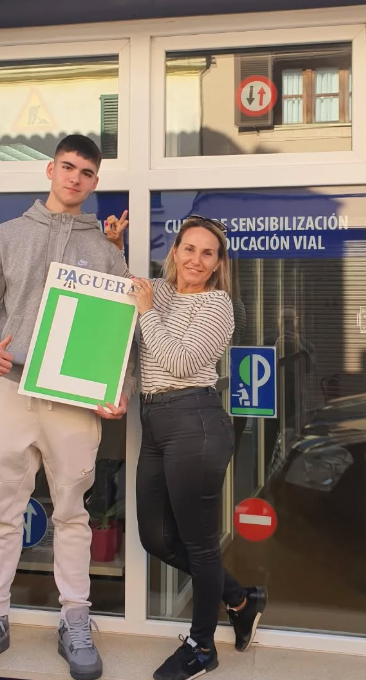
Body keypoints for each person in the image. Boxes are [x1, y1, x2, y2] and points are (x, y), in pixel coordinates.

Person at [0, 135, 135, 680]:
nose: (75, 178)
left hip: (76, 404)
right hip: (13, 392)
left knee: (73, 512)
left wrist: (117, 386)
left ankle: (75, 617)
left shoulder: (107, 251)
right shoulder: (8, 237)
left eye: (86, 172)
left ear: (95, 182)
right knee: (4, 509)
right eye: (68, 168)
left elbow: (120, 330)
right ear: (49, 170)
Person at [107, 215, 267, 680]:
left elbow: (179, 361)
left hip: (194, 420)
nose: (197, 259)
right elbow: (124, 293)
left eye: (208, 253)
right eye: (189, 249)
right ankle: (240, 599)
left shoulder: (218, 306)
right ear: (175, 251)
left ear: (218, 265)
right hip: (154, 423)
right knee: (154, 537)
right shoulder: (161, 292)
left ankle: (202, 647)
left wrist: (146, 311)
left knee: (199, 542)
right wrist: (116, 247)